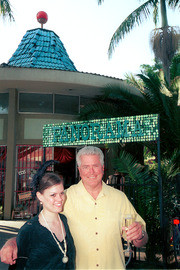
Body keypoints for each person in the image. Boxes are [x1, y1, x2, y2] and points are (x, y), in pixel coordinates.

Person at [1, 146, 148, 269]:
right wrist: (12, 242)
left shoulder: (119, 198)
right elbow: (40, 228)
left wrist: (139, 235)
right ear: (79, 169)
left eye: (95, 166)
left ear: (103, 168)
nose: (91, 172)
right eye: (86, 167)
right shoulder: (64, 198)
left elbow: (141, 239)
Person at [7, 160, 76, 270]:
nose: (60, 199)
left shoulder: (64, 220)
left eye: (62, 193)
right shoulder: (29, 230)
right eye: (53, 195)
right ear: (40, 197)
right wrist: (10, 243)